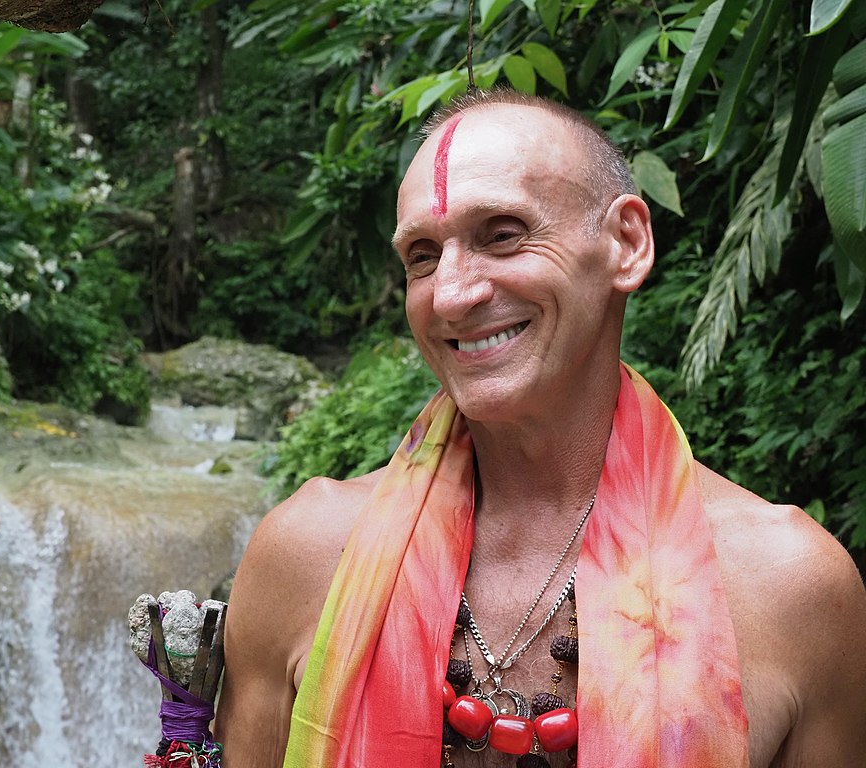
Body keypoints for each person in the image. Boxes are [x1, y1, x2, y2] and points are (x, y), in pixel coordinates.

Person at [213, 89, 866, 768]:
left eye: (502, 234)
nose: (452, 295)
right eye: (423, 256)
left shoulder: (789, 588)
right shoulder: (304, 554)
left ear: (627, 244)